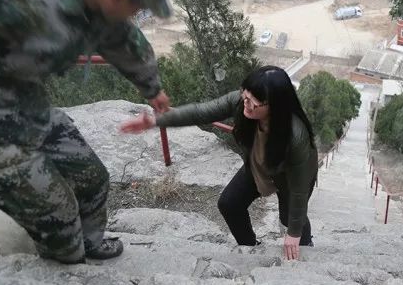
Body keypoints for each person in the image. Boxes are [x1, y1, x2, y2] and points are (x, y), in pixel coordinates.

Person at [0, 0, 172, 264]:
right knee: (58, 214)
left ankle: (89, 243)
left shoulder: (99, 10)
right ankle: (68, 262)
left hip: (27, 107)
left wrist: (153, 89)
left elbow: (125, 43)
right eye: (139, 6)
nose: (137, 13)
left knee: (93, 179)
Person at [120, 66, 318, 260]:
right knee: (230, 204)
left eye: (253, 103)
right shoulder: (240, 102)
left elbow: (299, 190)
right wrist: (157, 121)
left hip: (291, 178)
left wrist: (293, 234)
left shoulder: (295, 136)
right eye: (245, 96)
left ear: (274, 105)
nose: (246, 104)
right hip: (258, 164)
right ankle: (250, 250)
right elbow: (201, 112)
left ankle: (305, 243)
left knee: (289, 217)